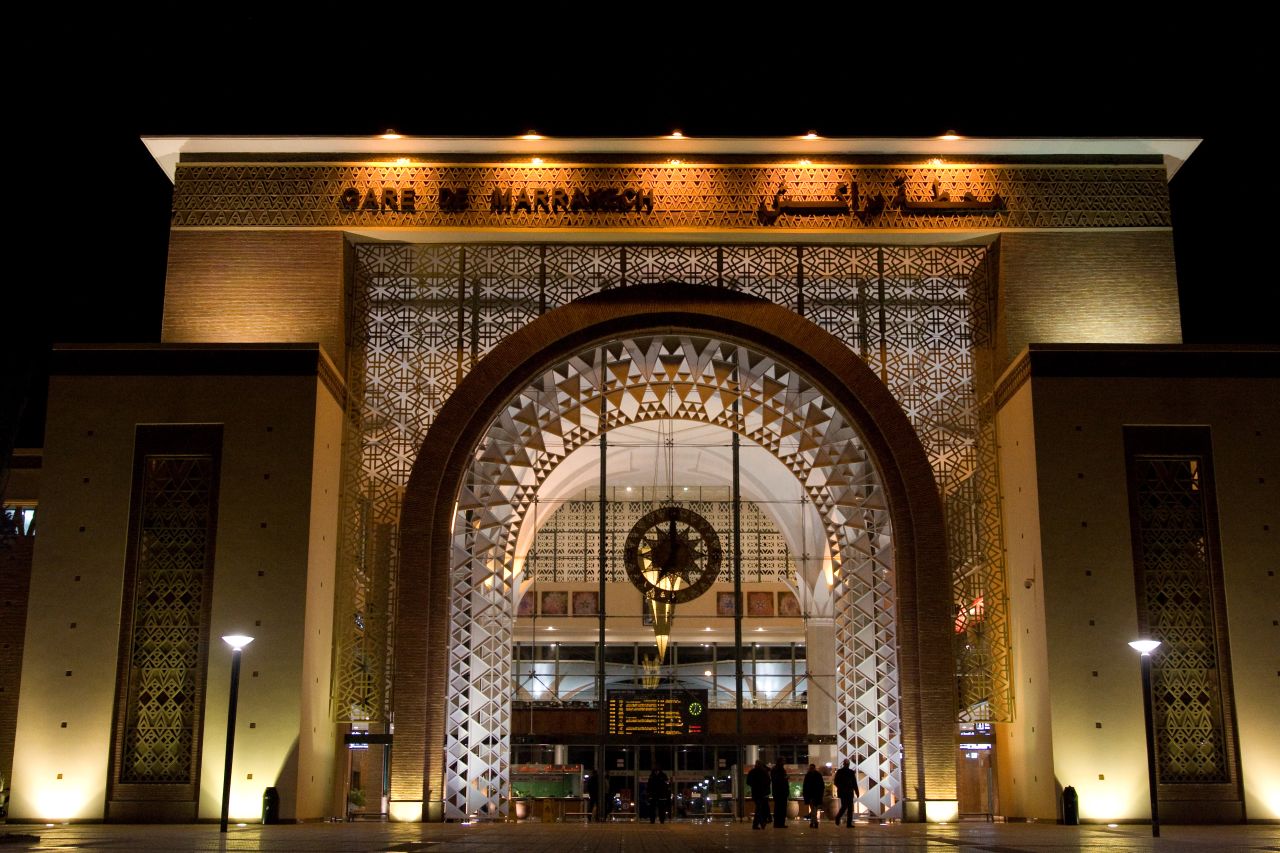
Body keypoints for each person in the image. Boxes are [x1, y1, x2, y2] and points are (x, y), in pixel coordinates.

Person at [832, 758, 860, 827]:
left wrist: (840, 787)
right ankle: (846, 822)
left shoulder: (840, 771)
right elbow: (854, 783)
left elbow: (836, 782)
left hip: (844, 792)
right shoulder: (850, 772)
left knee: (845, 806)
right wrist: (856, 791)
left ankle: (841, 819)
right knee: (848, 807)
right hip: (848, 792)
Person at [746, 758, 772, 829]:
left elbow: (748, 782)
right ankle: (760, 823)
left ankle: (759, 823)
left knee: (758, 808)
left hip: (755, 793)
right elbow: (768, 782)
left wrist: (754, 785)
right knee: (760, 809)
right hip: (763, 794)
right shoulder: (764, 772)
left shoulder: (752, 772)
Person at [802, 763, 824, 828]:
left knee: (813, 809)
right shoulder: (818, 775)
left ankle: (813, 822)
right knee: (814, 809)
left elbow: (805, 786)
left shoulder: (808, 776)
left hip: (812, 795)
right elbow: (821, 786)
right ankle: (815, 822)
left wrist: (805, 795)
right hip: (815, 795)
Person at [770, 760, 789, 828]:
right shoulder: (779, 770)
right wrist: (785, 778)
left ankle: (777, 823)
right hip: (781, 792)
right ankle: (780, 823)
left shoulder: (774, 769)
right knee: (781, 809)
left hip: (777, 792)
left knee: (777, 808)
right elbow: (780, 780)